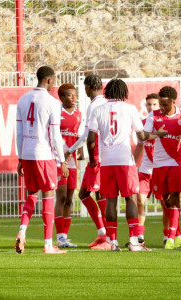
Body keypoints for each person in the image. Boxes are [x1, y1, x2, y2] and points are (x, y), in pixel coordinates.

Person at [87, 79, 167, 251]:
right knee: (130, 198)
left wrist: (92, 158)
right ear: (123, 92)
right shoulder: (130, 108)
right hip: (125, 160)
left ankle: (113, 242)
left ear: (107, 92)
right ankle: (134, 241)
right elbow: (142, 136)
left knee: (110, 200)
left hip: (107, 161)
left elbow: (90, 139)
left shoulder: (98, 109)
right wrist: (159, 134)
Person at [15, 66, 68, 254]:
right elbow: (54, 135)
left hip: (27, 155)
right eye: (53, 81)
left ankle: (22, 232)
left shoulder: (23, 99)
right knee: (48, 195)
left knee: (31, 195)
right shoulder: (52, 103)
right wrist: (61, 161)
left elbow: (20, 132)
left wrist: (20, 158)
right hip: (44, 155)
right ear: (49, 81)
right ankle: (47, 244)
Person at [144, 86, 181, 250]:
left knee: (175, 199)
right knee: (165, 202)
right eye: (160, 104)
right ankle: (177, 235)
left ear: (173, 101)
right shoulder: (154, 115)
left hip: (175, 163)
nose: (162, 108)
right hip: (158, 165)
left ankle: (170, 238)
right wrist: (158, 134)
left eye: (165, 104)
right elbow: (143, 135)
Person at [67, 74, 110, 250]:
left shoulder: (95, 106)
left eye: (84, 88)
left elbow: (87, 136)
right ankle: (102, 234)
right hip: (101, 154)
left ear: (88, 87)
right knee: (84, 194)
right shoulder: (106, 104)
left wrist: (69, 150)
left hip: (98, 156)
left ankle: (107, 238)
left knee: (99, 195)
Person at [133, 93, 169, 245]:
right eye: (149, 104)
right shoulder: (141, 124)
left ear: (160, 106)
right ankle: (140, 235)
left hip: (160, 169)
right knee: (139, 201)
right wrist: (133, 165)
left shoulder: (165, 123)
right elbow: (140, 145)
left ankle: (167, 235)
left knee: (165, 204)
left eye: (154, 104)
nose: (151, 107)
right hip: (145, 169)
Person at [54, 83, 84, 248]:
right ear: (62, 97)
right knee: (62, 196)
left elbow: (79, 136)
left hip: (72, 161)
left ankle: (65, 236)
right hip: (60, 160)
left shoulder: (79, 114)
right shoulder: (57, 113)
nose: (73, 98)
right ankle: (59, 236)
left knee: (70, 198)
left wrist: (80, 152)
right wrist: (60, 160)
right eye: (69, 95)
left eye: (75, 95)